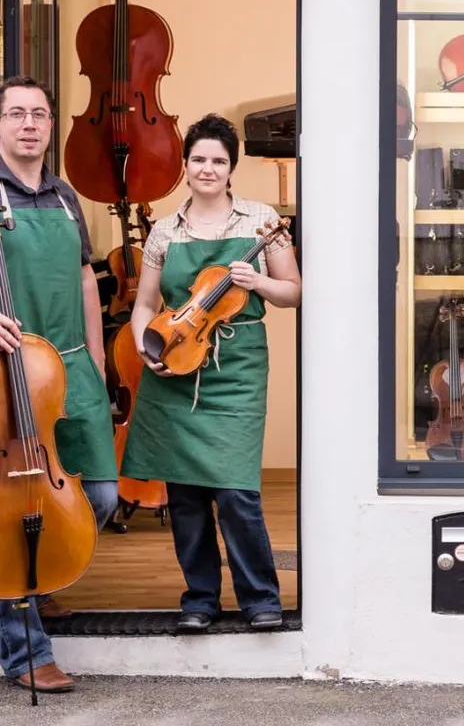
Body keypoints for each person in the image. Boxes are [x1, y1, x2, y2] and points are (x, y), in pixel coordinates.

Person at [122, 113, 301, 632]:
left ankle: (260, 598)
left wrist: (258, 282)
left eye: (218, 160)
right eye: (198, 158)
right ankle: (199, 598)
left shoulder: (261, 221)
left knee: (237, 491)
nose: (207, 168)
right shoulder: (163, 231)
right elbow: (145, 304)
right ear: (186, 164)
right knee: (185, 495)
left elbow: (293, 290)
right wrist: (144, 347)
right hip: (174, 364)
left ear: (231, 168)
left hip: (237, 369)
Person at [0, 76, 119, 694]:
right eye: (16, 113)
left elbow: (83, 279)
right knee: (6, 507)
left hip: (70, 366)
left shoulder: (66, 197)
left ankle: (36, 580)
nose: (28, 124)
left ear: (50, 125)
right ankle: (25, 653)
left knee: (98, 492)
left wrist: (97, 359)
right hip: (10, 371)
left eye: (38, 114)